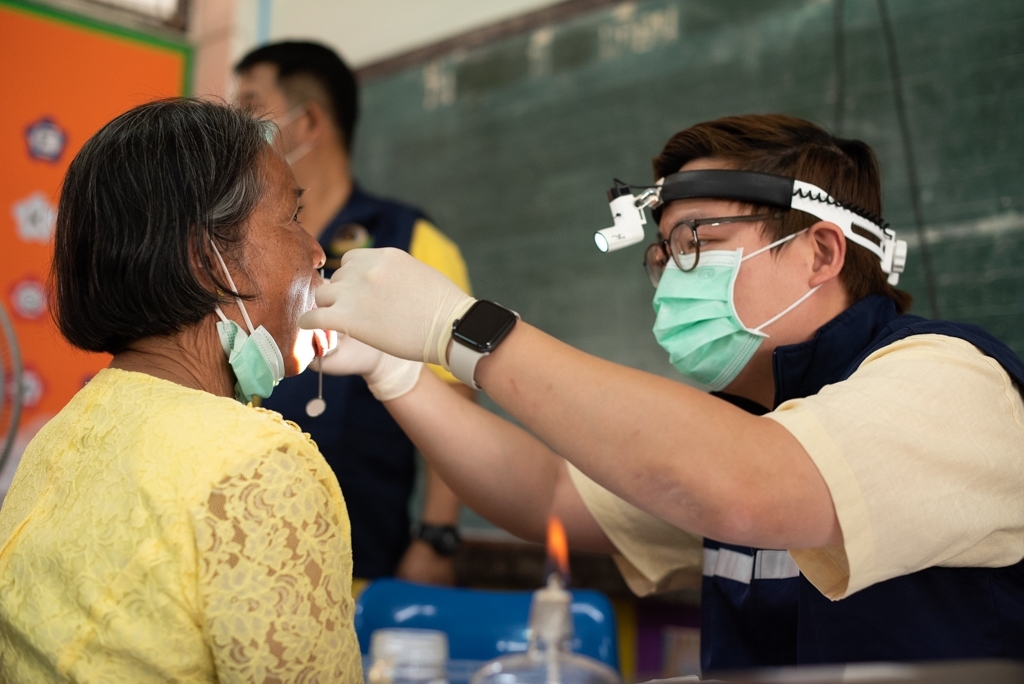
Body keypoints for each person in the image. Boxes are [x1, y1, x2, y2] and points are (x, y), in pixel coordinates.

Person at [302, 114, 1024, 670]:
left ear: (822, 252)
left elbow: (753, 481)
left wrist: (464, 329)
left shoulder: (950, 380)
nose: (675, 275)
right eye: (666, 252)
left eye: (698, 240)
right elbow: (546, 491)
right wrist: (395, 373)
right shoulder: (745, 422)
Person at [0, 99, 361, 682]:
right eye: (292, 217)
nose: (318, 252)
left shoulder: (60, 438)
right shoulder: (263, 467)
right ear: (206, 258)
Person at [233, 42, 473, 585]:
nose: (237, 124)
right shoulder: (237, 243)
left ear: (308, 120)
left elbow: (458, 400)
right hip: (240, 555)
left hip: (362, 563)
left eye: (250, 105)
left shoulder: (409, 241)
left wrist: (437, 537)